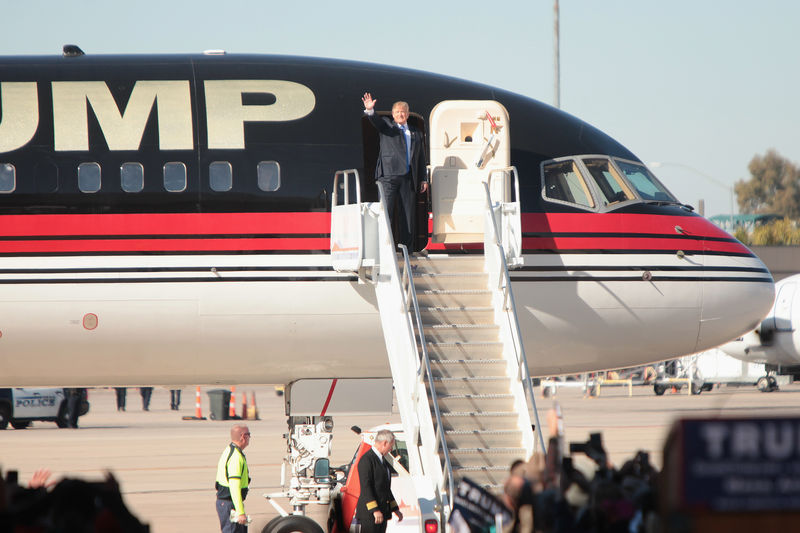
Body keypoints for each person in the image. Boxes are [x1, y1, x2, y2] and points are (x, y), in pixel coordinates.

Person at [361, 93, 428, 249]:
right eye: (397, 112)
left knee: (408, 215)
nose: (400, 114)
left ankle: (407, 250)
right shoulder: (387, 126)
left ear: (407, 113)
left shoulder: (416, 132)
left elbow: (420, 157)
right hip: (389, 177)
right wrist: (370, 110)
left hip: (408, 177)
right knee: (386, 213)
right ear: (393, 114)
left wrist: (423, 178)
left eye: (403, 111)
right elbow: (376, 121)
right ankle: (384, 248)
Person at [356, 429, 403, 533]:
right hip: (371, 514)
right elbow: (366, 487)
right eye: (391, 446)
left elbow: (385, 488)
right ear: (384, 443)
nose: (391, 449)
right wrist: (375, 510)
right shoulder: (367, 460)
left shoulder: (382, 460)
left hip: (382, 511)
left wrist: (395, 509)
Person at [215, 424, 251, 532]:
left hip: (227, 502)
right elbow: (234, 486)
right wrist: (240, 512)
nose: (250, 438)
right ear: (243, 436)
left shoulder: (229, 450)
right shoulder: (235, 457)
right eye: (249, 435)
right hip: (229, 503)